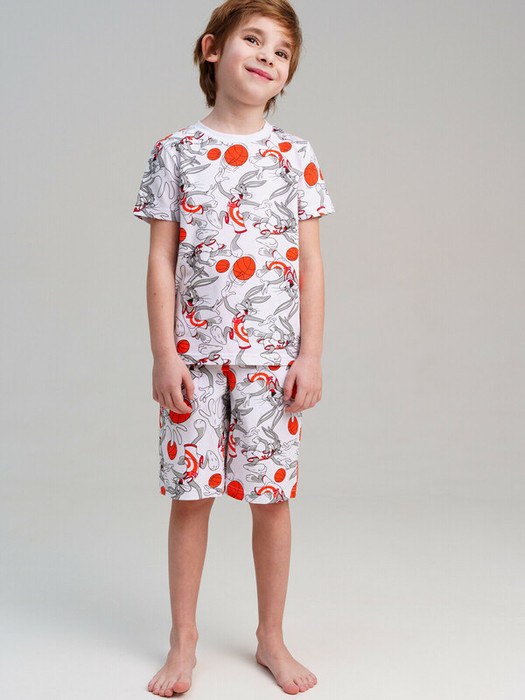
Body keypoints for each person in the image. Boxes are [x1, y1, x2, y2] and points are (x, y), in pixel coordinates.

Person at [132, 0, 335, 695]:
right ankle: (182, 641)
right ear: (212, 48)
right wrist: (164, 354)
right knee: (191, 499)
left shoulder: (295, 156)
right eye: (254, 40)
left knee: (270, 500)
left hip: (272, 365)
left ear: (286, 76)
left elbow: (311, 264)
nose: (267, 57)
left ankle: (270, 637)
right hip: (193, 361)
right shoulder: (174, 151)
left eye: (282, 53)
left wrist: (310, 355)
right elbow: (161, 260)